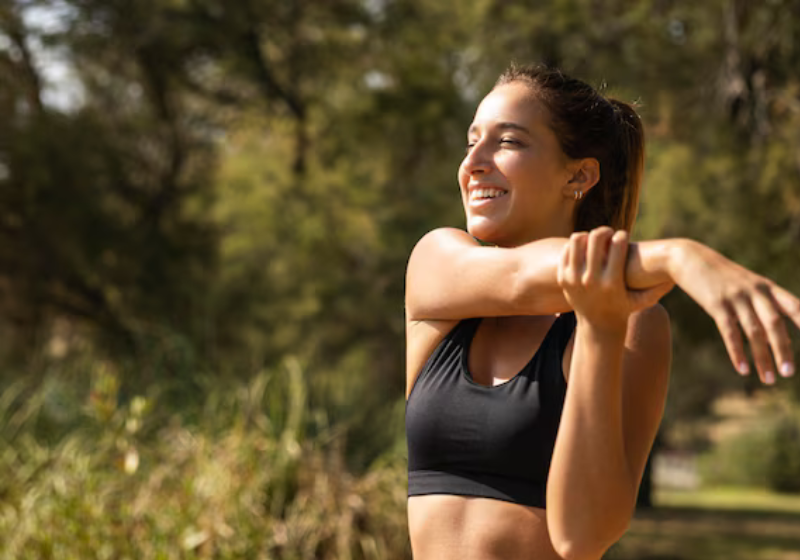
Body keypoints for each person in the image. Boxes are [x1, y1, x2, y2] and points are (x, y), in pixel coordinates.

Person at [403, 64, 800, 560]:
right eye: (471, 141)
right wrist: (678, 257)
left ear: (579, 175)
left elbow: (582, 538)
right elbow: (521, 278)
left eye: (507, 142)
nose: (473, 163)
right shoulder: (438, 265)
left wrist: (599, 330)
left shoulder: (635, 324)